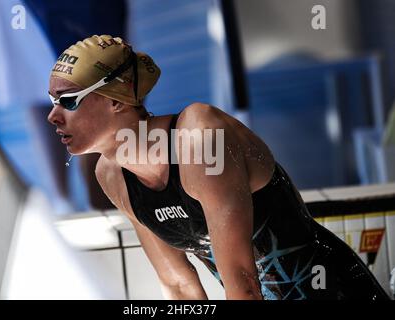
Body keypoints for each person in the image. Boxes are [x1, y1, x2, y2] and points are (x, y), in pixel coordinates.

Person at [47, 34, 389, 300]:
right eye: (52, 102)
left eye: (68, 101)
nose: (53, 116)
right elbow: (179, 287)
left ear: (114, 99)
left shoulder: (199, 136)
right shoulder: (112, 176)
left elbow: (242, 281)